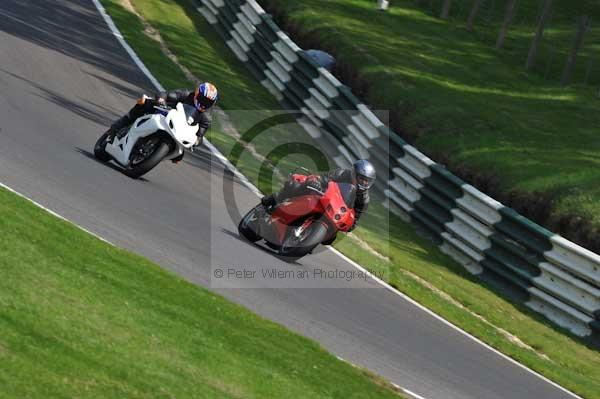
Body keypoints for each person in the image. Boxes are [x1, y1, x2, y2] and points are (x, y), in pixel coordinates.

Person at [261, 159, 376, 232]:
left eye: (367, 181)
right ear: (353, 174)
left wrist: (348, 225)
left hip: (335, 213)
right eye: (362, 179)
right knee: (296, 185)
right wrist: (316, 182)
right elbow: (324, 179)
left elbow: (355, 219)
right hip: (323, 195)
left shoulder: (364, 199)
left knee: (331, 237)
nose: (364, 183)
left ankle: (307, 238)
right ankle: (273, 199)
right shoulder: (342, 174)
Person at [105, 82, 218, 148]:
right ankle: (118, 126)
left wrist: (196, 141)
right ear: (197, 94)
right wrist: (161, 99)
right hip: (165, 111)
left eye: (208, 102)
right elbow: (166, 94)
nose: (204, 103)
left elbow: (200, 134)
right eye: (203, 99)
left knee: (179, 155)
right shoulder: (186, 94)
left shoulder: (206, 117)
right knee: (144, 102)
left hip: (179, 130)